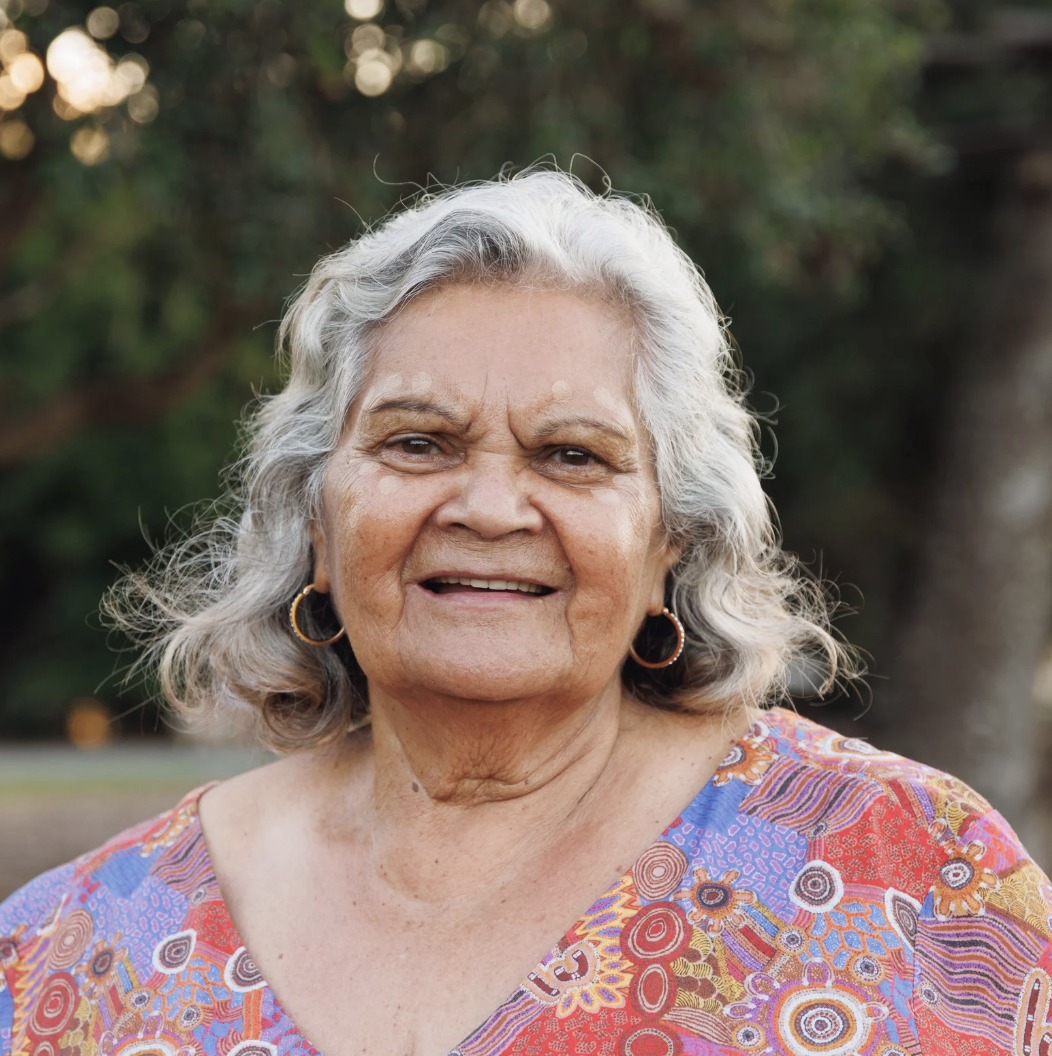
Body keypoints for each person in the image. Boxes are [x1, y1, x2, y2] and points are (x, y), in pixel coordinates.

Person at [2, 171, 1050, 1056]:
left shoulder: (906, 879)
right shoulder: (74, 952)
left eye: (570, 455)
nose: (490, 508)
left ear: (668, 543)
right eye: (417, 442)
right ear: (315, 520)